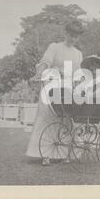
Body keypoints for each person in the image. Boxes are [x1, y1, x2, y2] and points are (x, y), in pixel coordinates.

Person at [25, 20, 84, 166]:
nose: (73, 39)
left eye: (76, 36)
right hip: (52, 85)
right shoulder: (55, 47)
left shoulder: (78, 54)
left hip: (68, 89)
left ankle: (66, 153)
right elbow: (45, 63)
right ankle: (45, 154)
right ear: (66, 33)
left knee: (67, 119)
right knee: (47, 118)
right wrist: (38, 75)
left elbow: (79, 73)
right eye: (71, 35)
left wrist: (81, 84)